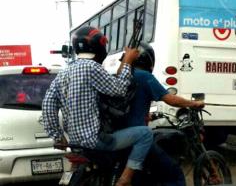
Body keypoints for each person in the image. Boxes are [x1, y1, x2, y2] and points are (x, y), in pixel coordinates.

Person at [42, 26, 153, 186]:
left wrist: (57, 136)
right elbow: (119, 90)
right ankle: (125, 179)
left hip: (75, 143)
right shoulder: (92, 67)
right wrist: (128, 60)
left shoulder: (64, 72)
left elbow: (48, 105)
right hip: (95, 141)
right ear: (98, 46)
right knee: (145, 134)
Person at [124, 42, 204, 186]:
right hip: (137, 137)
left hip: (120, 134)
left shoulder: (121, 76)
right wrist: (193, 103)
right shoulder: (145, 76)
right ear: (148, 60)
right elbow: (170, 99)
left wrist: (147, 115)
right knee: (174, 174)